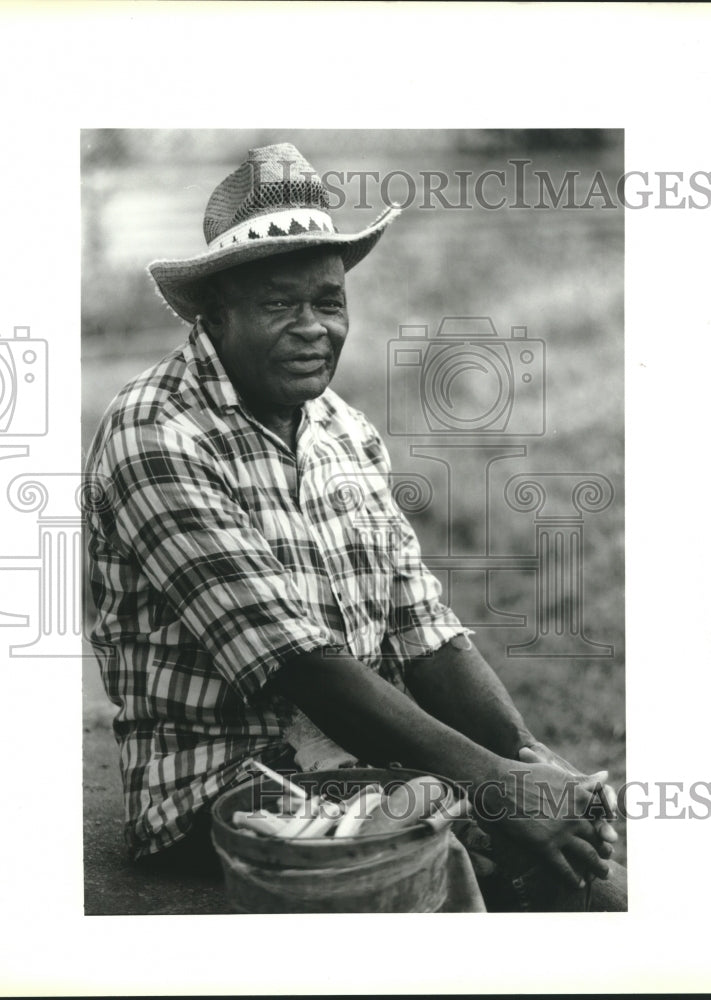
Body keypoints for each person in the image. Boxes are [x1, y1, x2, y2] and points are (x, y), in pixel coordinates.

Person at [84, 142, 626, 911]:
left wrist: (531, 765)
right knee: (469, 852)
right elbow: (302, 668)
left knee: (584, 859)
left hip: (360, 761)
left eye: (328, 301)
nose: (312, 327)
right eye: (279, 304)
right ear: (215, 315)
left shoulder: (341, 428)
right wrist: (499, 790)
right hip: (227, 785)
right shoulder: (157, 433)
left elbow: (424, 631)